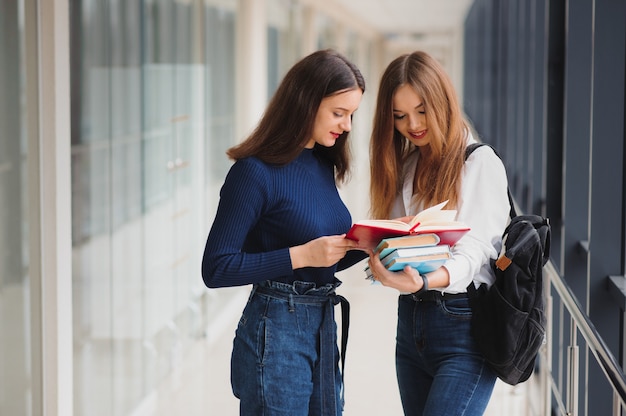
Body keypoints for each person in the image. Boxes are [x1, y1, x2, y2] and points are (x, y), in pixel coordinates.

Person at [201, 49, 367, 416]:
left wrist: (374, 242)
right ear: (305, 103)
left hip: (323, 323)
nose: (347, 125)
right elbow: (216, 268)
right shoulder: (253, 173)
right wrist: (301, 255)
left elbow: (322, 260)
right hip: (276, 328)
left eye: (352, 114)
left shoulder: (322, 164)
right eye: (339, 113)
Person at [366, 50, 510, 415]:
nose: (412, 124)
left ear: (442, 101)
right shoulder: (408, 165)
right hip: (411, 325)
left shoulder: (479, 162)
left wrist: (425, 282)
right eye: (399, 116)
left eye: (421, 110)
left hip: (464, 327)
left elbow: (476, 250)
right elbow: (403, 239)